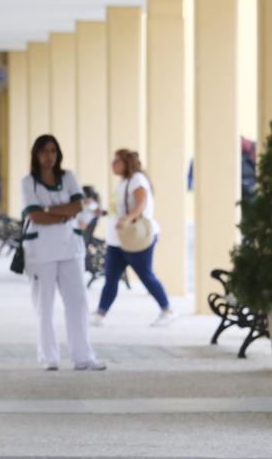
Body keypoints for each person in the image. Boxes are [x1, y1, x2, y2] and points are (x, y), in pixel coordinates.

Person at [21, 135, 105, 371]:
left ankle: (83, 357)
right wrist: (61, 213)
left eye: (53, 151)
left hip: (70, 249)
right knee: (44, 306)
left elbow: (78, 206)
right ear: (36, 154)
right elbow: (34, 215)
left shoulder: (68, 177)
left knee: (78, 303)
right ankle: (49, 357)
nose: (49, 156)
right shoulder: (29, 182)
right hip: (41, 252)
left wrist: (49, 209)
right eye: (44, 151)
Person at [92, 149, 176, 327]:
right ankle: (100, 313)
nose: (112, 164)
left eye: (116, 161)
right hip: (118, 240)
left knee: (145, 275)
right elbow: (120, 209)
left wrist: (128, 219)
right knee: (111, 276)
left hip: (135, 238)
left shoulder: (137, 179)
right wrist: (104, 212)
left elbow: (141, 203)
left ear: (126, 163)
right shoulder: (124, 182)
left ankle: (167, 310)